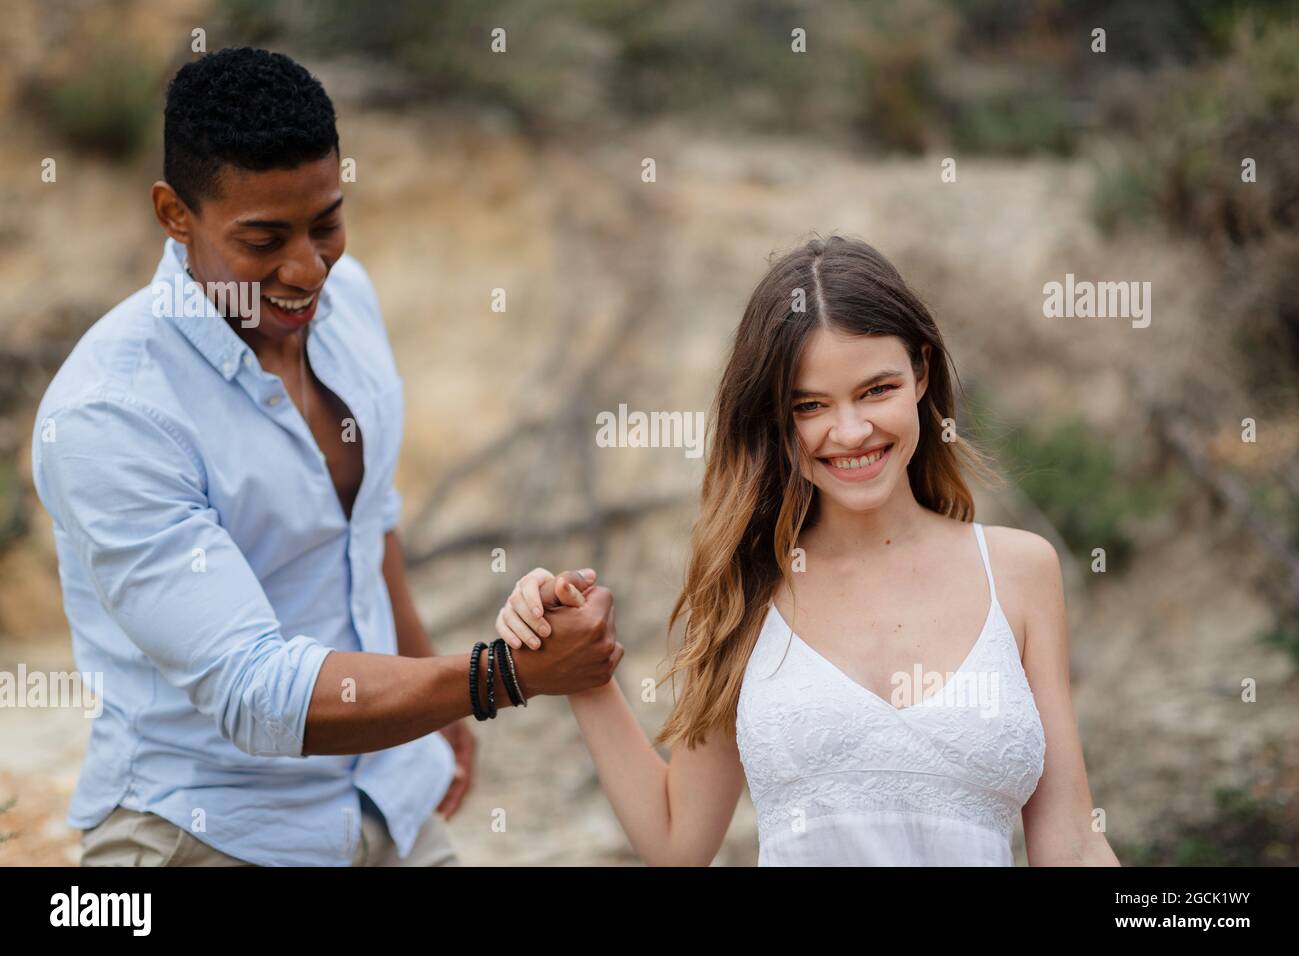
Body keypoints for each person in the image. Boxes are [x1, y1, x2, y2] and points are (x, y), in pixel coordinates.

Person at [31, 47, 620, 867]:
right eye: (264, 239)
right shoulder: (113, 412)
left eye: (326, 224)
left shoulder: (351, 304)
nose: (308, 269)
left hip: (385, 796)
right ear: (174, 214)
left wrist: (428, 690)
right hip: (208, 828)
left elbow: (368, 522)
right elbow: (255, 694)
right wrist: (496, 677)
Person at [497, 235, 1121, 866]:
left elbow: (1072, 841)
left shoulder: (1019, 571)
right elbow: (676, 843)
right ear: (773, 418)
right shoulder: (747, 588)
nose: (850, 432)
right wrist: (580, 670)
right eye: (810, 405)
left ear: (921, 373)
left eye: (876, 390)